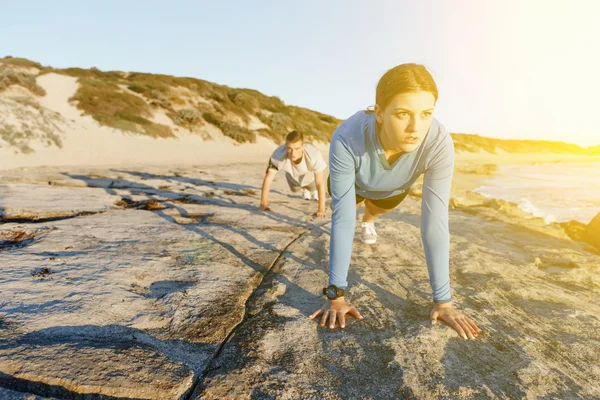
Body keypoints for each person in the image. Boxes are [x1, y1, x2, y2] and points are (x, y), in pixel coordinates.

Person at [309, 63, 481, 340]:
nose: (416, 127)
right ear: (379, 112)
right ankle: (361, 220)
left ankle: (369, 221)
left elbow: (435, 222)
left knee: (370, 214)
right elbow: (341, 219)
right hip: (353, 185)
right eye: (403, 114)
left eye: (426, 114)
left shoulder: (438, 143)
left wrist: (443, 301)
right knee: (348, 217)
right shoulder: (347, 137)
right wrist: (336, 295)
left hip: (391, 192)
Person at [260, 130, 328, 218]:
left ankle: (311, 191)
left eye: (297, 149)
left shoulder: (314, 154)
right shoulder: (277, 155)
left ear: (303, 146)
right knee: (295, 189)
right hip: (292, 175)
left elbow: (319, 183)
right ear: (285, 146)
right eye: (289, 148)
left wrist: (321, 210)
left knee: (312, 187)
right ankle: (304, 189)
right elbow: (268, 178)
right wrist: (263, 203)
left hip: (309, 175)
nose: (293, 153)